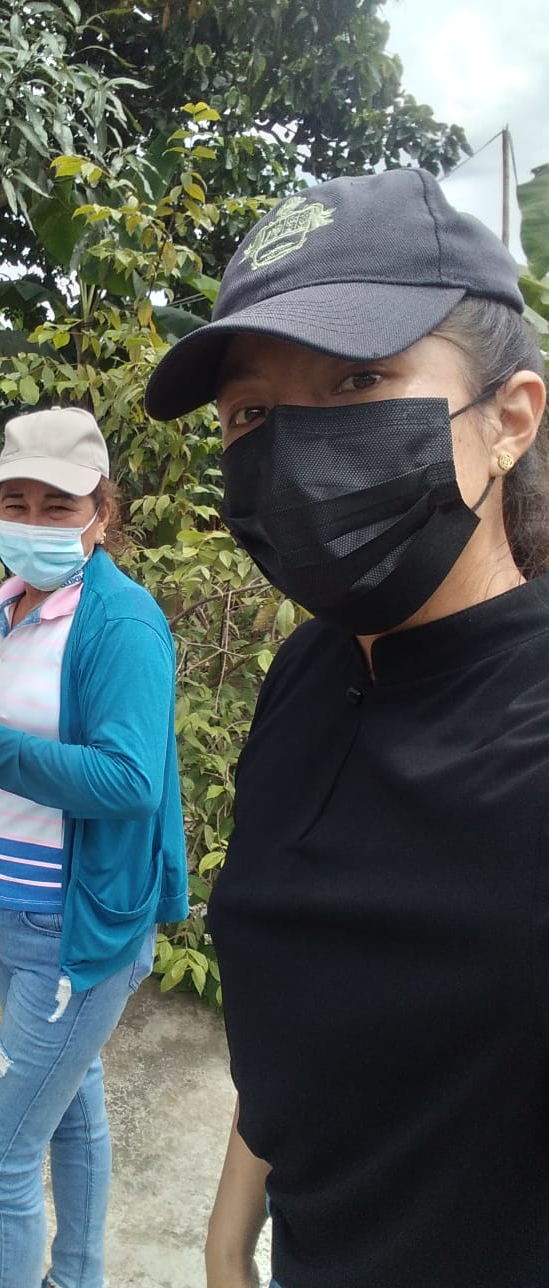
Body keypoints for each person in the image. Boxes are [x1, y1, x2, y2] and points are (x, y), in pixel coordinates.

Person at [144, 167, 549, 1288]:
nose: (291, 449)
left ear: (510, 420)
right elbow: (301, 1009)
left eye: (359, 378)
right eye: (253, 413)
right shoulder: (311, 669)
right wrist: (229, 1236)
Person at [0, 406, 188, 1288]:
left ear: (102, 512)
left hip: (71, 934)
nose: (32, 522)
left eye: (57, 505)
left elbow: (128, 782)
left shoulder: (121, 624)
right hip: (8, 922)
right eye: (15, 502)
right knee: (70, 1105)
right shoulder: (15, 605)